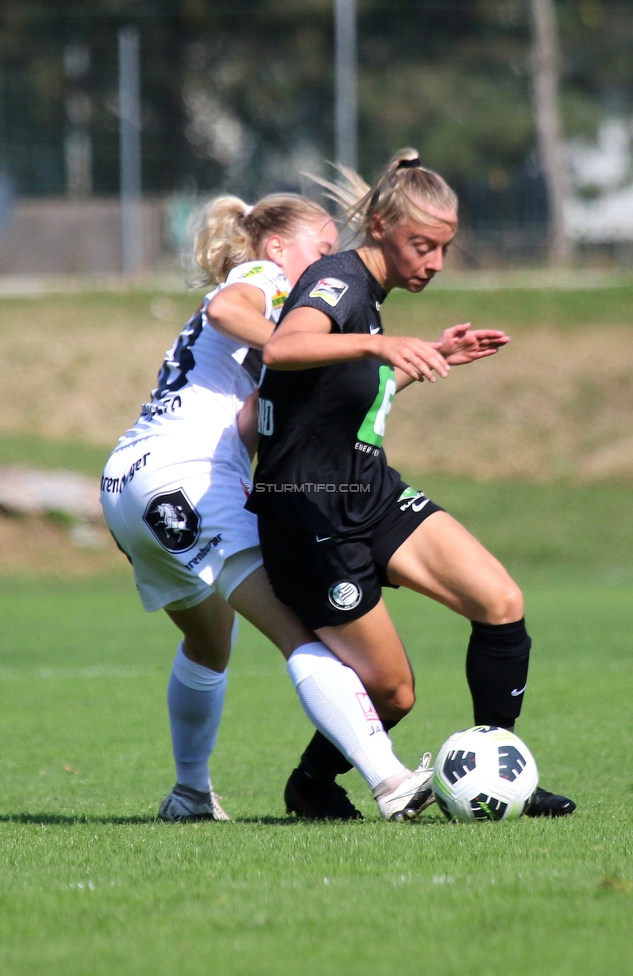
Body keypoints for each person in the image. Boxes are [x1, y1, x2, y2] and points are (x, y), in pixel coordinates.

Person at [101, 191, 486, 824]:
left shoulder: (281, 319)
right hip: (184, 477)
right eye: (321, 250)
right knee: (300, 633)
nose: (326, 266)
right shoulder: (266, 275)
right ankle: (391, 781)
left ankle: (190, 795)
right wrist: (295, 339)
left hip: (129, 483)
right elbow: (229, 305)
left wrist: (416, 361)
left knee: (209, 643)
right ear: (277, 246)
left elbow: (256, 418)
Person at [246, 148, 576, 820]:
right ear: (379, 229)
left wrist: (429, 356)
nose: (434, 263)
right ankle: (311, 784)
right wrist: (379, 347)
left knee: (501, 601)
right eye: (421, 246)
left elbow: (336, 393)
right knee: (393, 694)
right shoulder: (337, 281)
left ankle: (498, 767)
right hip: (310, 514)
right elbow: (285, 347)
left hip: (370, 492)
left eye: (443, 249)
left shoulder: (373, 296)